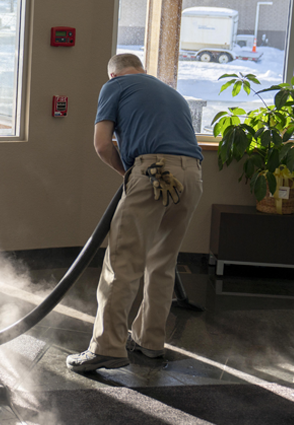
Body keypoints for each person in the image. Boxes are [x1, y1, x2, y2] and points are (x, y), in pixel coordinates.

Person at [66, 53, 204, 372]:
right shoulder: (170, 92)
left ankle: (107, 347)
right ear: (142, 69)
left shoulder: (116, 86)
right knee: (162, 263)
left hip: (153, 172)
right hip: (192, 175)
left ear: (113, 75)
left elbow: (102, 144)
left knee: (122, 264)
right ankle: (149, 342)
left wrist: (128, 174)